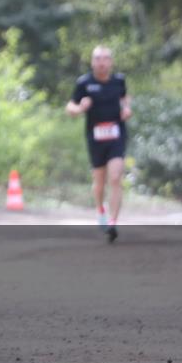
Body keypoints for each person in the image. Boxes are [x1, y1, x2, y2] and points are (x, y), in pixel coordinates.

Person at [66, 45, 132, 242]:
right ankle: (100, 210)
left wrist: (127, 108)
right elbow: (69, 107)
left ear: (111, 62)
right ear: (92, 62)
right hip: (95, 138)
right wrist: (80, 108)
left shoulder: (119, 81)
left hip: (116, 135)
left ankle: (113, 222)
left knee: (115, 177)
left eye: (105, 59)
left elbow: (125, 97)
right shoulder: (84, 83)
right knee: (100, 181)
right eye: (97, 59)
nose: (102, 62)